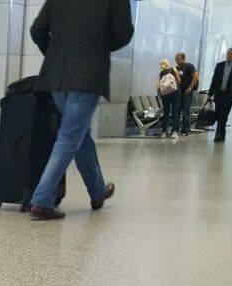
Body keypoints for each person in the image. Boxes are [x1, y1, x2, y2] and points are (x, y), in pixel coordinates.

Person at [27, 0, 133, 220]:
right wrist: (98, 44)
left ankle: (97, 191)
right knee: (69, 137)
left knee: (79, 135)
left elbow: (37, 29)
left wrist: (55, 52)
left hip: (55, 75)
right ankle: (41, 200)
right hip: (88, 74)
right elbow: (123, 33)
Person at [207, 47, 232, 142]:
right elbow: (214, 80)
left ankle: (218, 134)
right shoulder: (219, 65)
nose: (229, 55)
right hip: (219, 93)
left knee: (224, 114)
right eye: (228, 53)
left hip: (230, 94)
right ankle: (221, 134)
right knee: (218, 114)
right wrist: (210, 93)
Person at [174, 51, 199, 135]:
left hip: (187, 93)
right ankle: (175, 130)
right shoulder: (176, 69)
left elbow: (195, 76)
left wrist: (190, 88)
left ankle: (185, 130)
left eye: (179, 59)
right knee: (177, 112)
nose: (178, 61)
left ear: (184, 59)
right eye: (176, 60)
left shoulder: (189, 66)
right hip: (178, 93)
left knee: (185, 112)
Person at [156, 59, 181, 138]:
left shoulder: (160, 73)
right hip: (175, 94)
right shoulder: (173, 69)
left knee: (166, 112)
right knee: (175, 112)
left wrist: (163, 91)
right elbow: (178, 81)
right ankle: (174, 132)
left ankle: (164, 132)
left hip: (165, 95)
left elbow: (157, 87)